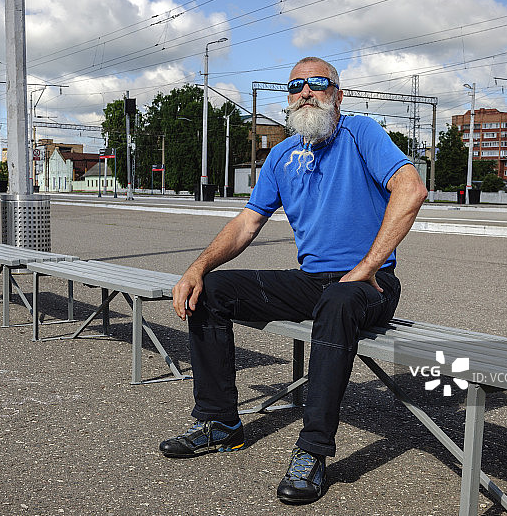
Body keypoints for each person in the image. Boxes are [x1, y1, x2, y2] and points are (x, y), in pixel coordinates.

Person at [159, 56, 427, 504]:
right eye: (296, 85)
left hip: (371, 285)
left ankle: (312, 450)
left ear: (337, 95)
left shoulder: (360, 133)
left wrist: (366, 267)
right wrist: (197, 268)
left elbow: (411, 189)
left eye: (317, 83)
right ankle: (219, 423)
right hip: (312, 282)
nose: (306, 92)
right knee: (212, 292)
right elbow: (247, 224)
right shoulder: (282, 154)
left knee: (338, 301)